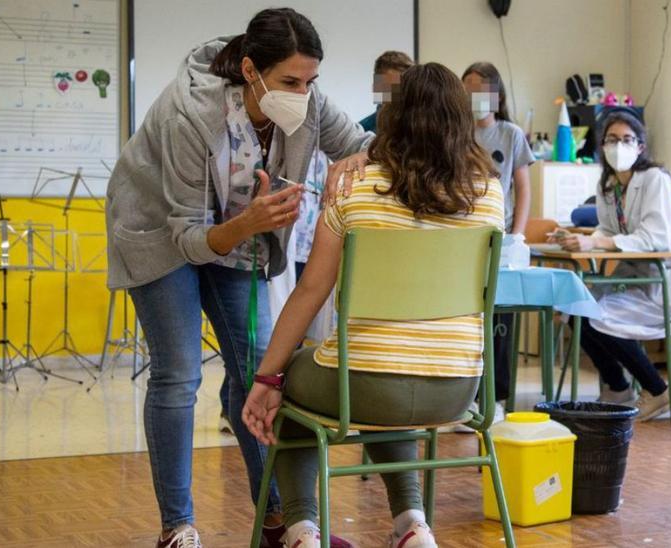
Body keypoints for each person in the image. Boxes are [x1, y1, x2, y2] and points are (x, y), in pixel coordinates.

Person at [104, 8, 371, 548]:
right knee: (179, 376)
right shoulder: (189, 112)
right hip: (159, 232)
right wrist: (247, 223)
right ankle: (177, 527)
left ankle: (278, 518)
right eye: (290, 82)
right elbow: (187, 236)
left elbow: (362, 147)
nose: (303, 93)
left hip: (235, 234)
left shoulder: (308, 103)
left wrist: (354, 163)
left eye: (310, 81)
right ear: (250, 71)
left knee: (259, 370)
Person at [241, 62, 503, 548]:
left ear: (393, 117)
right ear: (462, 120)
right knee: (393, 378)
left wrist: (266, 379)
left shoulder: (353, 189)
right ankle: (412, 526)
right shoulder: (489, 194)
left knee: (292, 387)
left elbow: (309, 291)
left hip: (361, 385)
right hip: (458, 390)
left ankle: (301, 530)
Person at [551, 110, 671, 422]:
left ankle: (656, 389)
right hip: (633, 279)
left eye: (628, 140)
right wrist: (579, 238)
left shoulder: (655, 180)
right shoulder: (607, 184)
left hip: (665, 287)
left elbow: (654, 238)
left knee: (596, 317)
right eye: (613, 140)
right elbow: (608, 230)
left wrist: (595, 243)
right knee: (573, 311)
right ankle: (618, 388)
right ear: (602, 146)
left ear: (641, 146)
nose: (620, 146)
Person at [463, 61, 535, 419]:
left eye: (480, 90)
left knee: (500, 322)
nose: (473, 98)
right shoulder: (455, 132)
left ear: (496, 94)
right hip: (462, 241)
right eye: (467, 91)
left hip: (501, 240)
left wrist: (517, 235)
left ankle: (498, 397)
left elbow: (522, 189)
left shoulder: (511, 134)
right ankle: (467, 396)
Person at [358, 51, 414, 133]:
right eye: (393, 87)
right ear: (377, 87)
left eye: (403, 87)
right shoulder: (361, 132)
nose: (401, 94)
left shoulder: (424, 128)